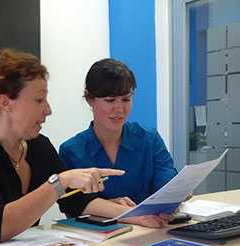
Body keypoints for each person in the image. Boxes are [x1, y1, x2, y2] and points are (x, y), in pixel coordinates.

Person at [0, 49, 164, 246]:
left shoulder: (39, 147)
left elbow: (76, 201)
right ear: (5, 103)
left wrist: (135, 215)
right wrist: (58, 182)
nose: (48, 110)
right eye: (39, 100)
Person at [59, 58, 177, 206]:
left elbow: (169, 188)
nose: (120, 109)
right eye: (110, 100)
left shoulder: (150, 139)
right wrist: (109, 207)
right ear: (90, 99)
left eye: (126, 99)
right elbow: (71, 207)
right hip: (97, 229)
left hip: (151, 227)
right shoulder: (71, 151)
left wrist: (179, 192)